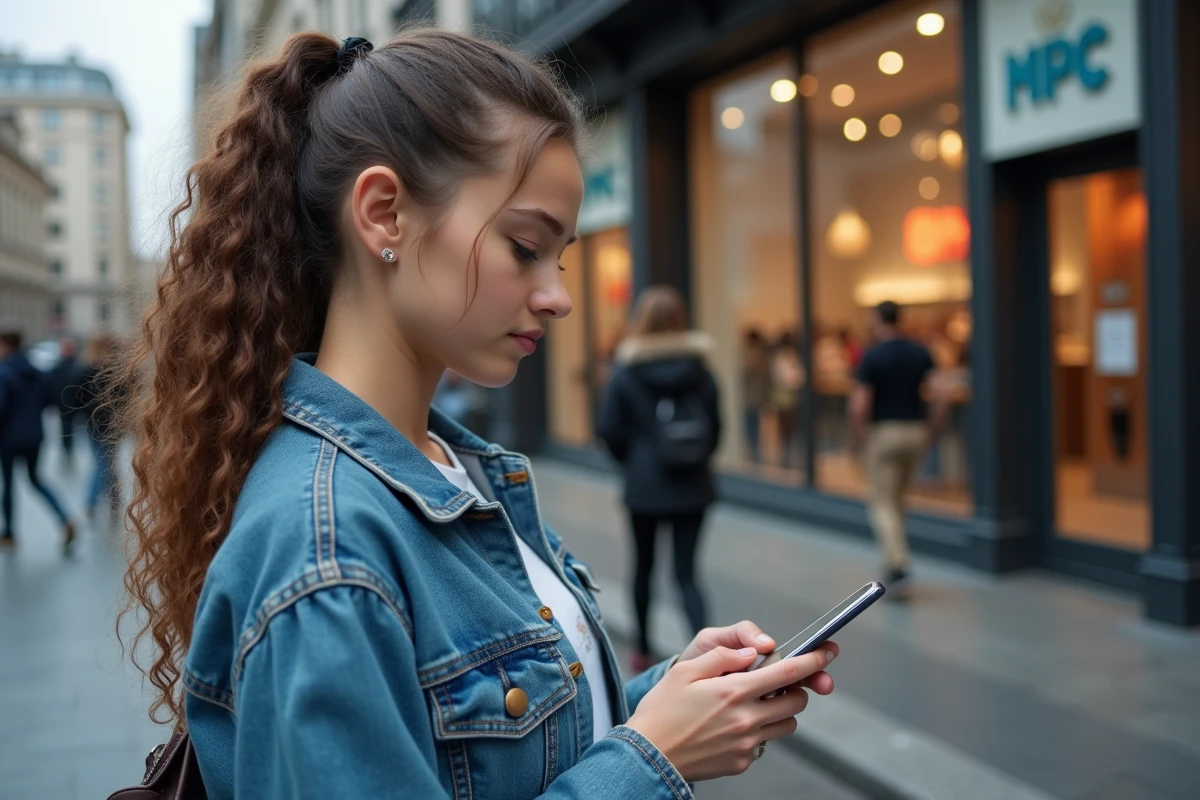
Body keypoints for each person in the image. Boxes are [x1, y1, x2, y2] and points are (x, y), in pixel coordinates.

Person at [112, 31, 838, 799]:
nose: (558, 294)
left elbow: (511, 743)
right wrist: (652, 760)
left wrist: (674, 697)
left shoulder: (452, 465)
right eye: (525, 246)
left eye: (557, 258)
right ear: (384, 214)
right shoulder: (325, 550)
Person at [598, 286, 720, 673]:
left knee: (643, 569)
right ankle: (713, 655)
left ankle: (642, 651)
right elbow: (717, 428)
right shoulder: (701, 371)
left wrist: (633, 461)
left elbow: (609, 428)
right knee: (687, 574)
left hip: (645, 487)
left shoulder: (627, 372)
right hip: (694, 485)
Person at [849, 301, 949, 596]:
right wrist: (932, 428)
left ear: (877, 320)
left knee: (882, 501)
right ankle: (896, 556)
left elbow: (858, 405)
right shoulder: (920, 351)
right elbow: (942, 392)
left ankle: (897, 564)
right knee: (898, 499)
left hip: (884, 433)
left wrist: (859, 439)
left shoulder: (872, 355)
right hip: (915, 430)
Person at [0, 329, 76, 552]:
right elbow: (50, 401)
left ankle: (10, 534)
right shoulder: (38, 372)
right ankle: (65, 519)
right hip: (34, 434)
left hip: (8, 438)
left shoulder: (5, 373)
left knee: (8, 484)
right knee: (36, 479)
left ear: (5, 345)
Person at [77, 334, 123, 524]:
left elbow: (77, 398)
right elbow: (127, 397)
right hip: (115, 424)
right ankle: (112, 501)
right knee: (107, 463)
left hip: (93, 424)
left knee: (103, 463)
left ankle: (93, 501)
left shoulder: (85, 369)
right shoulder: (118, 369)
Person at [769, 331, 805, 469]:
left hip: (791, 396)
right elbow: (785, 378)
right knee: (784, 427)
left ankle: (789, 454)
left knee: (791, 427)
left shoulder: (791, 357)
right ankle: (785, 455)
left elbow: (799, 376)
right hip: (784, 396)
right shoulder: (781, 358)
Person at [47, 336, 83, 471]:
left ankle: (69, 456)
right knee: (66, 433)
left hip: (78, 406)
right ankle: (67, 455)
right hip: (64, 406)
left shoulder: (79, 365)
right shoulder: (57, 367)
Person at [740, 328, 770, 464]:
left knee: (752, 426)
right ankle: (754, 454)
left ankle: (755, 454)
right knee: (753, 426)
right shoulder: (760, 354)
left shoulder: (754, 354)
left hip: (751, 396)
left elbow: (748, 370)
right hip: (754, 396)